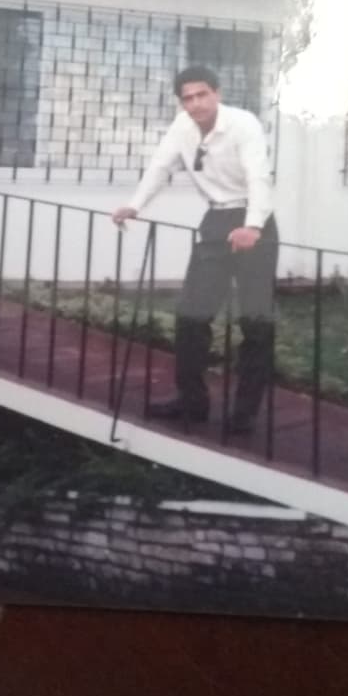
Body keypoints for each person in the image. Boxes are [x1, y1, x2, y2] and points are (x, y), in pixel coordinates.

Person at [112, 65, 279, 434]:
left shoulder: (243, 124)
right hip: (216, 221)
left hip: (255, 223)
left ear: (217, 93)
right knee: (191, 316)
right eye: (188, 97)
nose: (195, 103)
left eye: (202, 94)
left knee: (255, 324)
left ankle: (244, 415)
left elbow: (258, 176)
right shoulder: (182, 127)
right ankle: (193, 402)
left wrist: (251, 226)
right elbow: (160, 167)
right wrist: (135, 205)